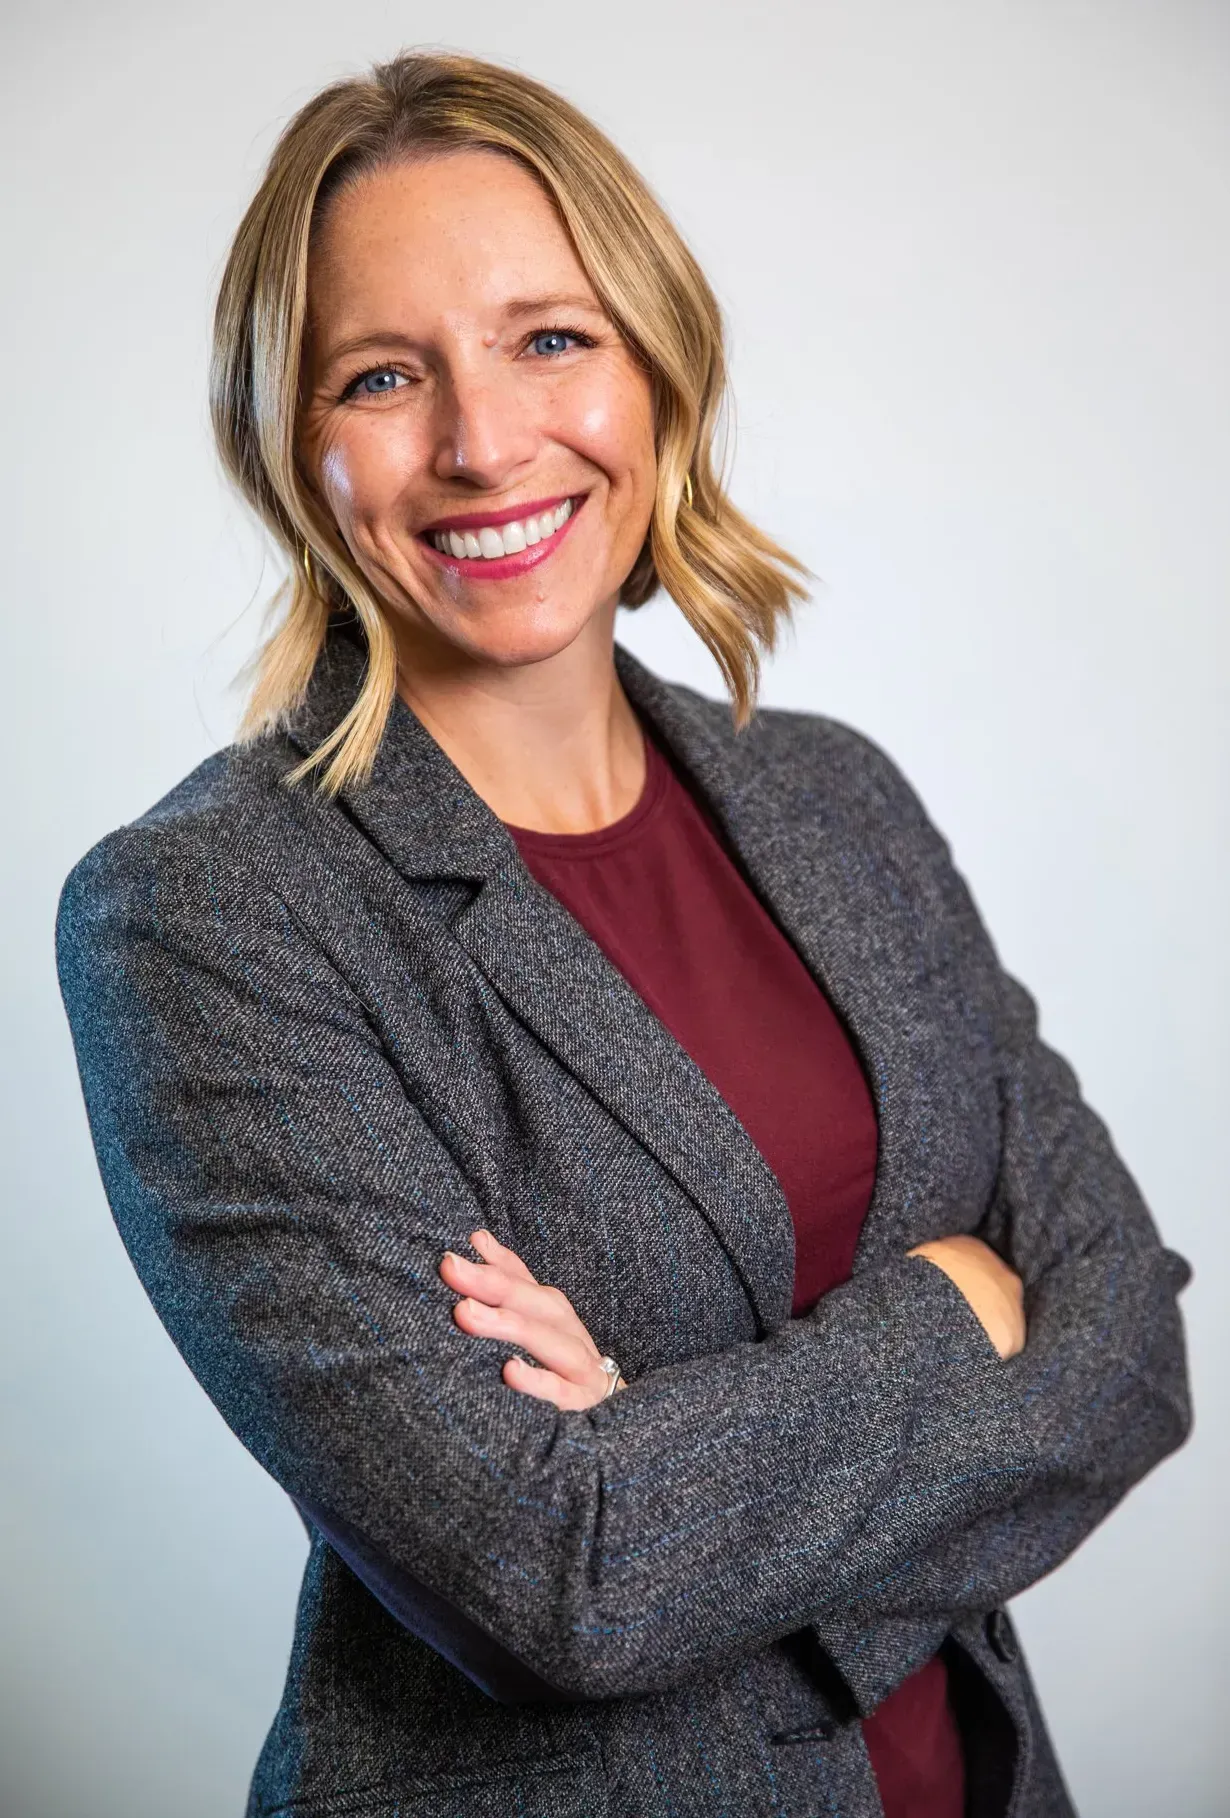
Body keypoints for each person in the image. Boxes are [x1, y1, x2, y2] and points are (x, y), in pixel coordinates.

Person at [56, 49, 1192, 1818]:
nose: (483, 440)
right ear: (295, 452)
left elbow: (1127, 1351)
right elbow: (558, 1576)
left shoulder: (834, 802)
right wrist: (951, 1309)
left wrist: (670, 1440)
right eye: (380, 374)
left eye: (549, 337)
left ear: (657, 364)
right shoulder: (206, 914)